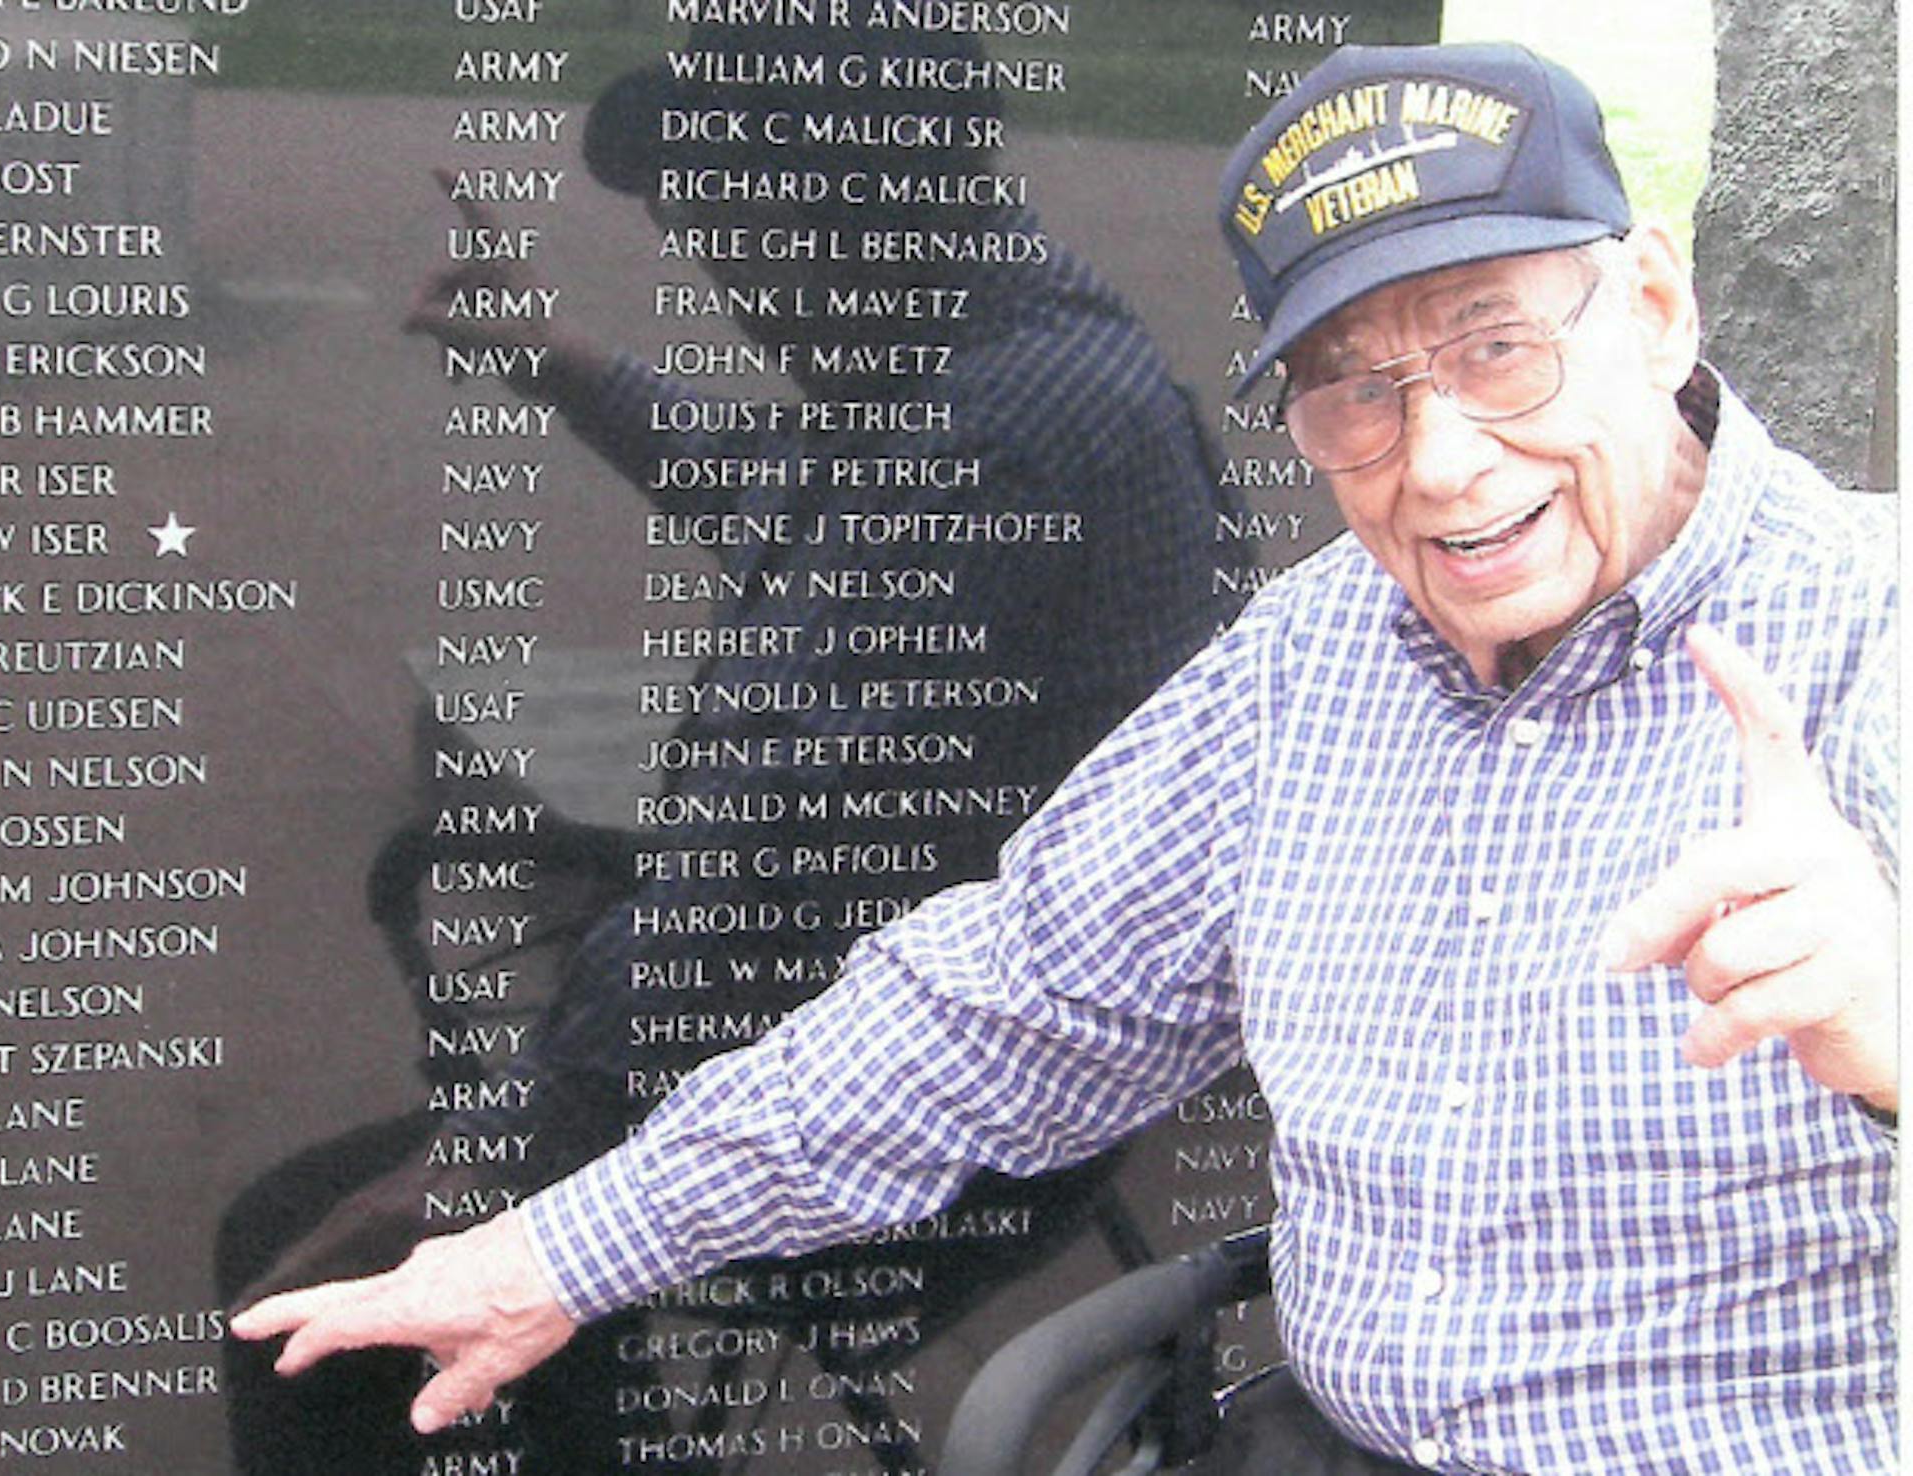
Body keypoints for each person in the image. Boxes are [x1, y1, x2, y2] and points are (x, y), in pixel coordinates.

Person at [235, 41, 1897, 1473]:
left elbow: (783, 844)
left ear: (1659, 303)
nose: (1446, 464)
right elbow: (1005, 998)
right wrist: (548, 1247)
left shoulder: (1879, 643)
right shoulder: (1305, 656)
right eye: (1353, 397)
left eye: (1497, 347)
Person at [220, 16, 1241, 1470]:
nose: (734, 292)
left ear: (872, 204)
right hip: (843, 1036)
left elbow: (761, 873)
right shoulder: (985, 358)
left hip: (910, 1125)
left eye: (746, 247)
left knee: (317, 1283)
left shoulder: (1002, 434)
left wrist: (507, 1161)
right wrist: (560, 360)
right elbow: (793, 499)